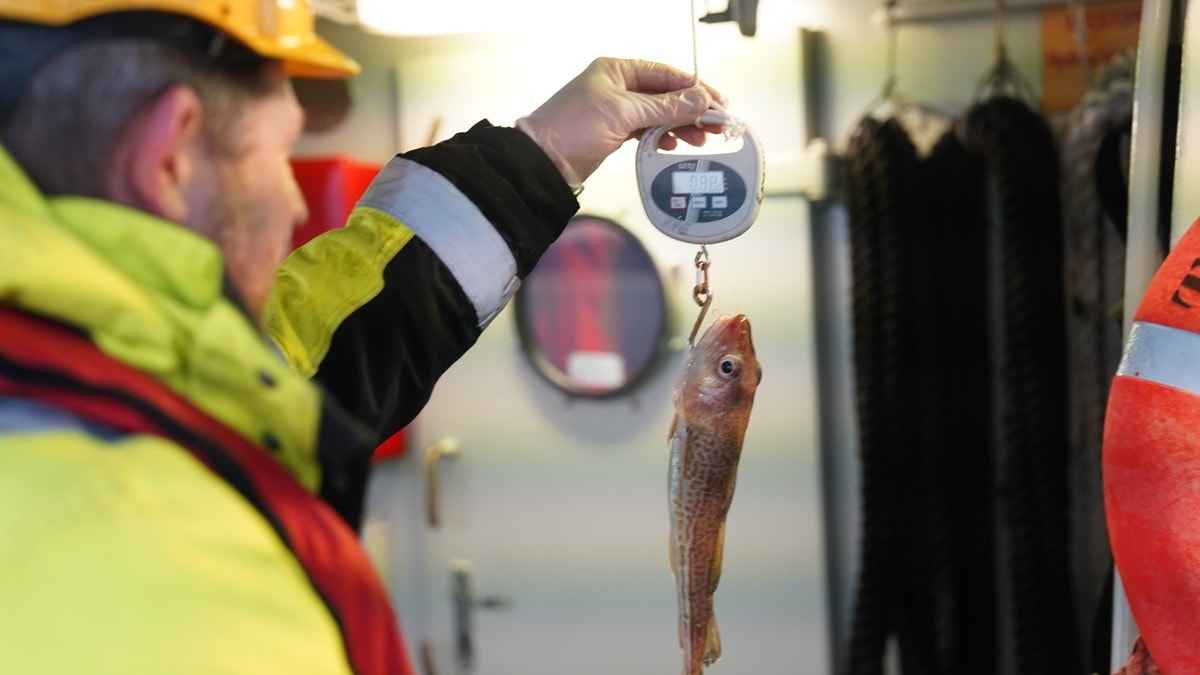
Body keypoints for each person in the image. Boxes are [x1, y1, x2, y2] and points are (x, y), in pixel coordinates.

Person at [0, 1, 727, 673]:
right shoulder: (187, 590)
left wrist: (542, 153)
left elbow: (308, 341)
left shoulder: (92, 364)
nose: (292, 200)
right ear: (171, 156)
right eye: (278, 152)